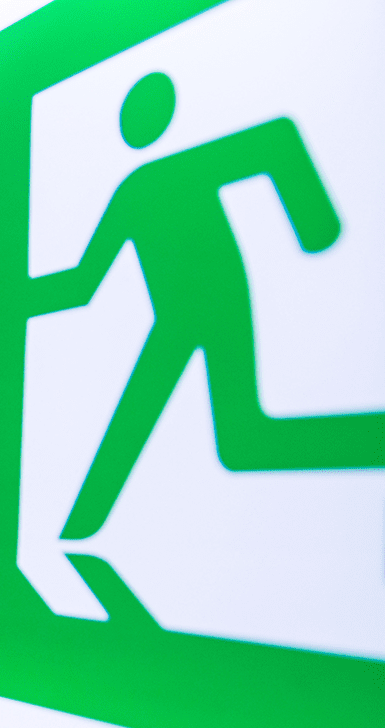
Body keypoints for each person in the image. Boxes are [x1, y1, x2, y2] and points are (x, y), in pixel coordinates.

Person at [30, 71, 384, 542]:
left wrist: (315, 225)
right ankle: (76, 530)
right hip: (175, 319)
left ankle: (76, 529)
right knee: (239, 440)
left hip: (219, 309)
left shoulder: (166, 175)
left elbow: (274, 142)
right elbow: (83, 282)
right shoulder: (135, 189)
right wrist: (21, 304)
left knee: (237, 438)